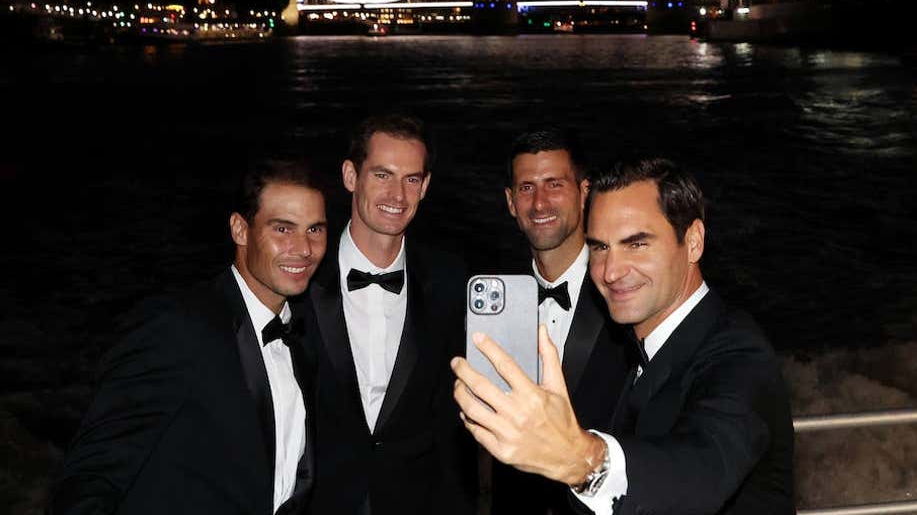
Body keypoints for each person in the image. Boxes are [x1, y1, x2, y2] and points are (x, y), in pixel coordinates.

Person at [452, 157, 795, 515]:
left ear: (693, 241)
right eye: (599, 247)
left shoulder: (740, 354)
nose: (610, 271)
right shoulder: (633, 347)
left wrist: (580, 459)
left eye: (636, 244)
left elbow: (701, 471)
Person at [51, 156, 329, 515]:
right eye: (283, 229)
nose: (304, 249)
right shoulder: (175, 328)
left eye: (315, 229)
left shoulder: (307, 333)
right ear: (240, 230)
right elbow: (93, 472)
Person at [301, 114, 473, 515]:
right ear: (350, 176)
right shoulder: (300, 276)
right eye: (382, 175)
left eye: (411, 179)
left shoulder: (451, 281)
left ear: (425, 187)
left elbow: (452, 417)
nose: (397, 194)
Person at [491, 128, 634, 514]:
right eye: (526, 188)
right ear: (510, 202)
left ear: (584, 192)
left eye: (554, 184)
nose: (539, 203)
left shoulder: (627, 293)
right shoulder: (493, 304)